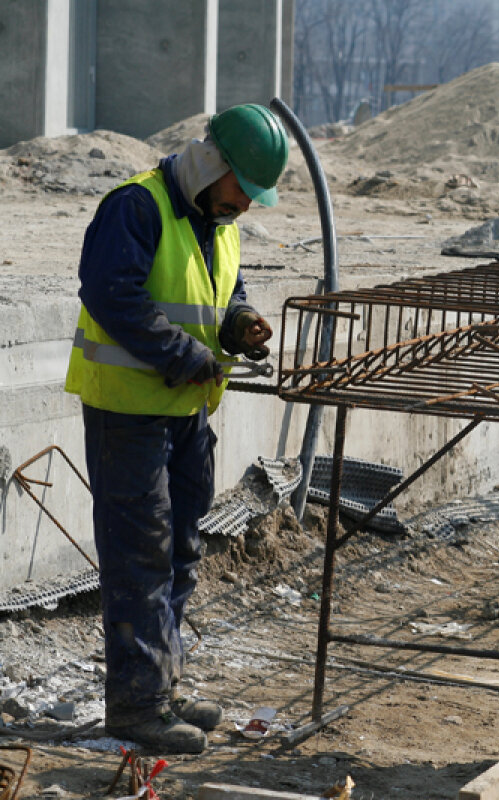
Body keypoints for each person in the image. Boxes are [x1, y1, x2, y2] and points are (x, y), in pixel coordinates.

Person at [64, 104, 287, 753]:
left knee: (181, 550)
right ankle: (136, 706)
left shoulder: (219, 222)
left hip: (186, 413)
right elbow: (113, 296)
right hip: (129, 413)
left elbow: (224, 290)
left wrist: (238, 323)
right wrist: (184, 356)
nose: (247, 204)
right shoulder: (135, 207)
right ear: (212, 165)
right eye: (243, 188)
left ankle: (164, 684)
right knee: (141, 557)